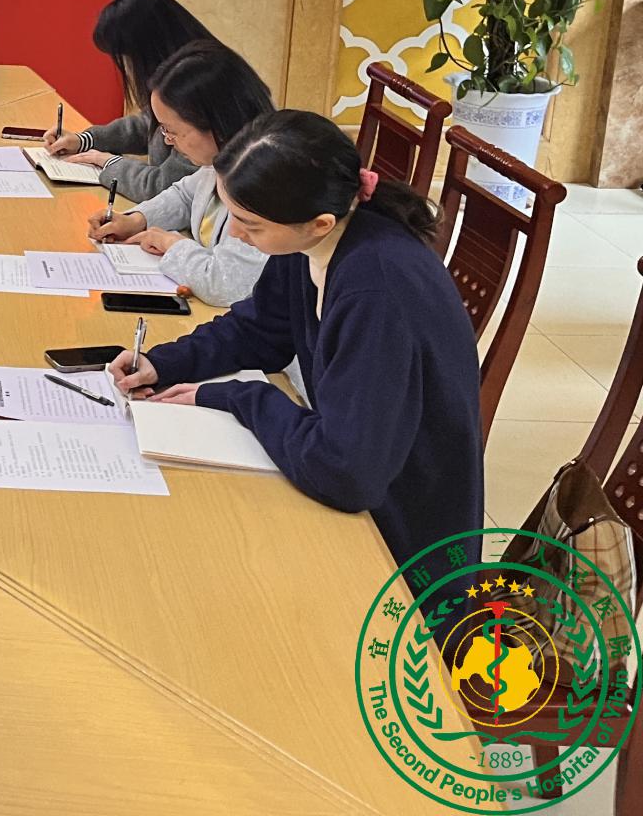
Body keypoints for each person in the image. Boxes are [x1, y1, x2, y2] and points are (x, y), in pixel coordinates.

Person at [109, 110, 481, 576]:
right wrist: (165, 362)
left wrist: (239, 397)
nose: (236, 234)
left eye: (250, 223)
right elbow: (261, 329)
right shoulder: (312, 238)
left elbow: (345, 472)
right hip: (359, 485)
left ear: (319, 222)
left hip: (401, 547)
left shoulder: (376, 293)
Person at [86, 39, 274, 306]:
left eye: (172, 131)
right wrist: (137, 220)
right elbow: (184, 195)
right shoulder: (220, 163)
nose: (167, 141)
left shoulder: (264, 183)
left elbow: (223, 285)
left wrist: (171, 245)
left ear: (217, 124)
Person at [44, 0, 214, 200]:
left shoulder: (198, 88)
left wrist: (107, 162)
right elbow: (149, 125)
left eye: (128, 58)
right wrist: (85, 140)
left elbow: (163, 187)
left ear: (148, 52)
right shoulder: (185, 72)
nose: (129, 68)